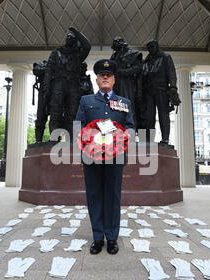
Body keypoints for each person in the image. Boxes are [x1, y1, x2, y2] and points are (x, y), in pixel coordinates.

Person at [75, 59, 135, 255]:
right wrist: (88, 140)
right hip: (91, 157)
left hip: (115, 157)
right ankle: (97, 237)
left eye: (109, 75)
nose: (105, 77)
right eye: (102, 75)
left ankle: (111, 238)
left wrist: (123, 137)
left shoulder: (124, 102)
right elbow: (78, 126)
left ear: (114, 79)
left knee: (112, 196)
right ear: (97, 79)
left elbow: (131, 127)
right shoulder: (86, 101)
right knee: (94, 196)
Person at [44, 27, 91, 140]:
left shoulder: (78, 54)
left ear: (76, 40)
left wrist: (76, 31)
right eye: (68, 37)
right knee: (56, 112)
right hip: (58, 84)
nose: (70, 38)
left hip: (73, 85)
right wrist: (47, 88)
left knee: (72, 113)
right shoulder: (56, 52)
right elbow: (49, 70)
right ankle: (54, 139)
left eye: (73, 37)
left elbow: (87, 46)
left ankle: (72, 140)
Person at [142, 39, 181, 144]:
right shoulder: (146, 60)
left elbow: (171, 73)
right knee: (149, 116)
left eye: (152, 47)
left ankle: (165, 138)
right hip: (148, 91)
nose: (150, 50)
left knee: (163, 115)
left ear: (156, 46)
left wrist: (173, 88)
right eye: (148, 48)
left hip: (162, 89)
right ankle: (149, 140)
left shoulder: (165, 57)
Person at [110, 37, 143, 129]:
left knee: (128, 107)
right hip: (116, 84)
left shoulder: (133, 54)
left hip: (127, 84)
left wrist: (124, 72)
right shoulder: (114, 56)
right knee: (115, 108)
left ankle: (130, 132)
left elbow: (138, 68)